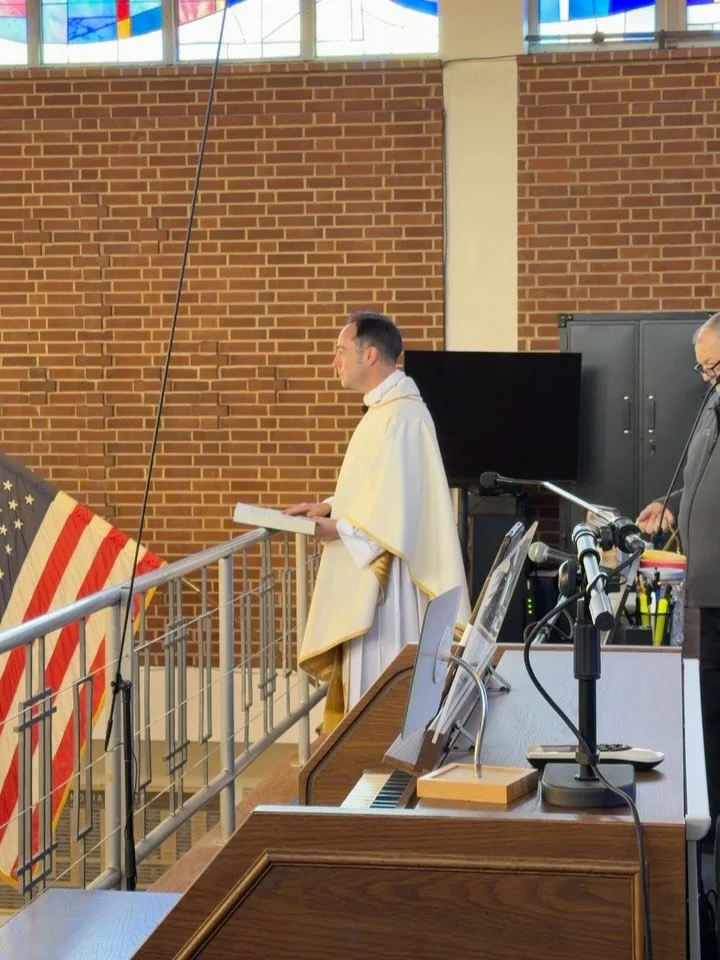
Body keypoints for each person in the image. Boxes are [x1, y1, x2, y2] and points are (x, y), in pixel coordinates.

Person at [286, 312, 470, 733]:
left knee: (381, 675)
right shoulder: (385, 410)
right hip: (377, 559)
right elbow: (379, 487)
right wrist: (330, 507)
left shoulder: (402, 414)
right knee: (369, 681)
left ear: (370, 354)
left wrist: (337, 529)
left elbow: (397, 506)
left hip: (392, 582)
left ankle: (379, 765)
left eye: (341, 351)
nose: (334, 361)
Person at [636, 311, 720, 830]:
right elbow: (705, 479)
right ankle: (706, 822)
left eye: (714, 366)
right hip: (703, 590)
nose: (708, 377)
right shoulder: (712, 403)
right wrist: (674, 506)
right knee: (706, 713)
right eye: (704, 369)